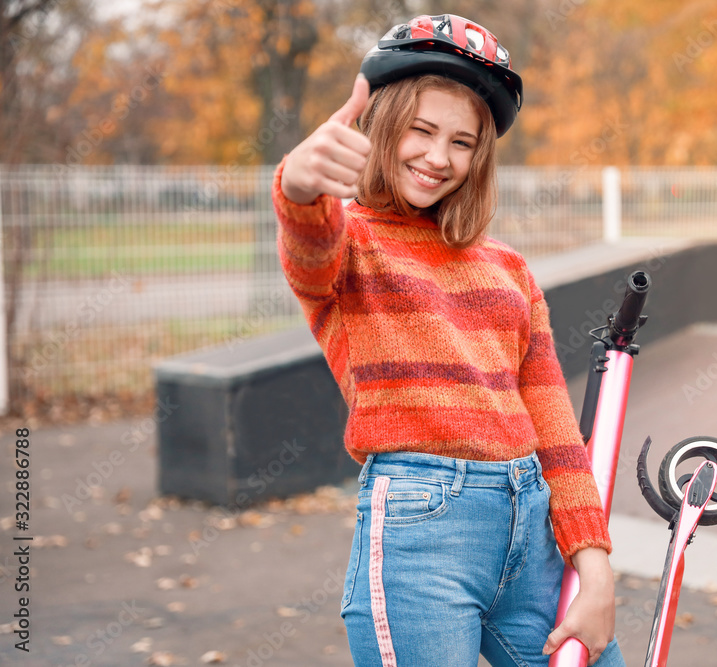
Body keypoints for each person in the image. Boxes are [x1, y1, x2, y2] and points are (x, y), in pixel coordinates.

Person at [272, 14, 625, 667]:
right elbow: (309, 247)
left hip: (532, 530)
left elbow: (552, 428)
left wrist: (595, 564)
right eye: (422, 130)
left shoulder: (509, 270)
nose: (439, 157)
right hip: (420, 536)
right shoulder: (352, 245)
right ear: (382, 124)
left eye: (462, 142)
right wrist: (299, 182)